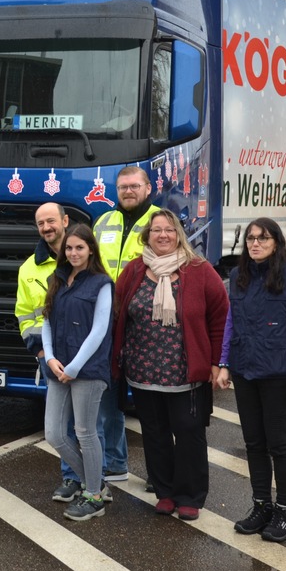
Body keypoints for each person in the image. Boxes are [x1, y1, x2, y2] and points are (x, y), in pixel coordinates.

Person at [112, 208, 228, 522]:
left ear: (179, 234)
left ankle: (189, 496)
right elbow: (117, 312)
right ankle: (165, 492)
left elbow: (220, 317)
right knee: (154, 433)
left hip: (186, 373)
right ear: (147, 236)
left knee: (189, 432)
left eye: (169, 230)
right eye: (156, 230)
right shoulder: (135, 270)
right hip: (143, 372)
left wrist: (218, 363)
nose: (163, 235)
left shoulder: (200, 270)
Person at [215, 217, 286, 543]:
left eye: (263, 238)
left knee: (279, 445)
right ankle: (261, 507)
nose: (255, 243)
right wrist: (224, 363)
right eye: (251, 238)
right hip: (245, 370)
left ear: (276, 243)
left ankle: (284, 512)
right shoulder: (238, 276)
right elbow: (231, 322)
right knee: (254, 444)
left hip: (278, 373)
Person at [90, 166, 161, 482]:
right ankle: (116, 463)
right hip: (108, 322)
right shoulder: (104, 221)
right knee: (110, 398)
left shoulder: (161, 222)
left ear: (148, 188)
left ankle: (159, 474)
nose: (128, 192)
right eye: (122, 187)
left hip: (146, 324)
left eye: (134, 186)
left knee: (152, 404)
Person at [42, 224, 115, 522]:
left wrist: (74, 367)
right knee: (55, 434)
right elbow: (46, 320)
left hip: (88, 370)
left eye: (79, 248)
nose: (73, 253)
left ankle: (94, 496)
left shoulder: (102, 283)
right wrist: (49, 358)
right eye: (69, 248)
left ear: (91, 250)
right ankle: (96, 483)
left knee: (85, 433)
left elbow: (100, 330)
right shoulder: (56, 279)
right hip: (58, 368)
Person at [16, 202, 88, 503]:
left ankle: (101, 476)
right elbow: (24, 315)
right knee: (59, 429)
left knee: (89, 426)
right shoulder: (29, 268)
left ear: (65, 220)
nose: (47, 227)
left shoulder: (83, 259)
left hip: (86, 357)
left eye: (51, 221)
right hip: (52, 359)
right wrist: (42, 353)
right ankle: (73, 478)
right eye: (41, 223)